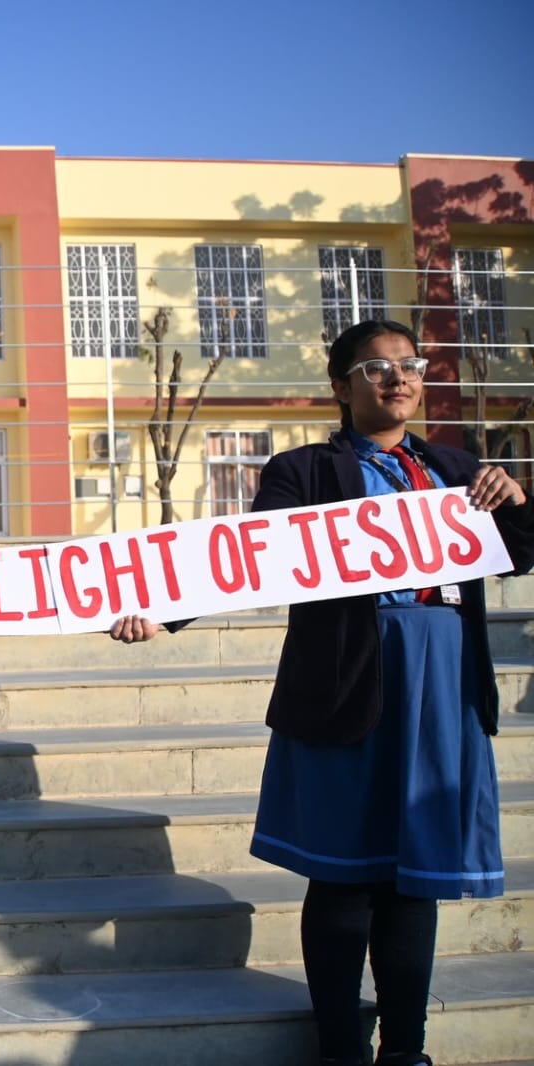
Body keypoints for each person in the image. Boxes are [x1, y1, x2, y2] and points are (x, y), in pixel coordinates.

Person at [109, 320, 534, 1066]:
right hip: (347, 675)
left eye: (410, 365)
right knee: (344, 875)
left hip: (442, 682)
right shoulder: (303, 470)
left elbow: (518, 556)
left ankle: (406, 1050)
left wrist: (517, 500)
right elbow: (248, 559)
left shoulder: (458, 467)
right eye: (376, 368)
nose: (398, 379)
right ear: (340, 386)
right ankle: (339, 1047)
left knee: (414, 879)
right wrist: (161, 612)